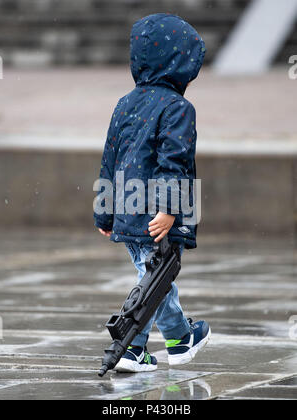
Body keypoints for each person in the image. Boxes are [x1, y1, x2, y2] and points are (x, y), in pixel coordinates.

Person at [94, 13, 210, 373]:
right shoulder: (178, 108)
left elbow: (110, 158)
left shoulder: (125, 103)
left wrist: (105, 211)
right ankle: (177, 338)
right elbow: (173, 160)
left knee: (151, 276)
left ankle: (137, 348)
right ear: (180, 64)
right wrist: (170, 208)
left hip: (127, 208)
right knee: (157, 276)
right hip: (157, 213)